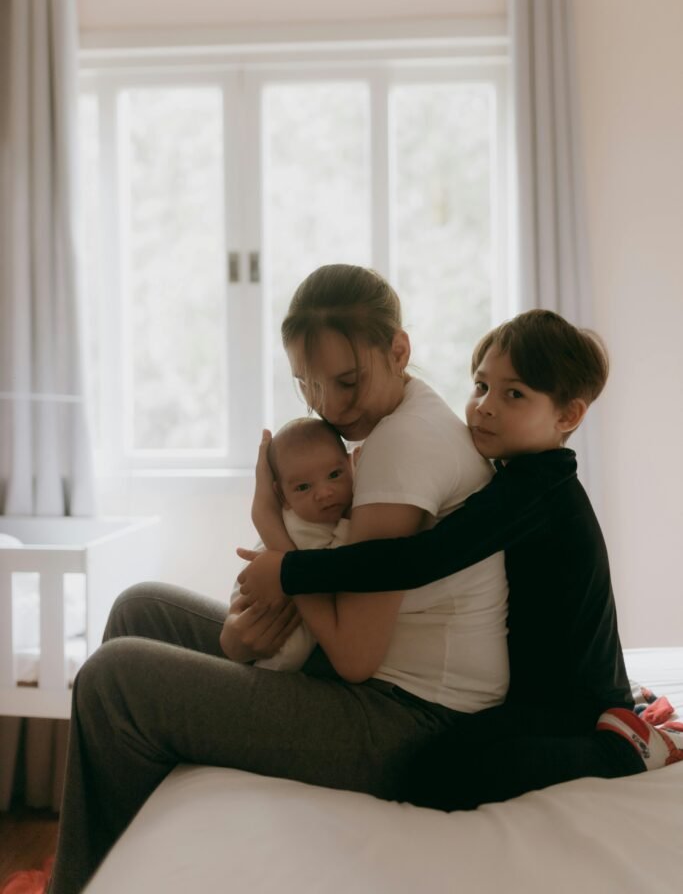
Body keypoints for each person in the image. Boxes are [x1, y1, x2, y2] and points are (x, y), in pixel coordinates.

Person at [45, 264, 509, 894]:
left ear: (399, 350)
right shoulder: (399, 424)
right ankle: (126, 866)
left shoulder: (404, 450)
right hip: (388, 694)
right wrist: (261, 608)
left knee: (113, 679)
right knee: (141, 607)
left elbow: (353, 657)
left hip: (409, 724)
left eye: (346, 381)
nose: (327, 407)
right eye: (307, 387)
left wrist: (275, 534)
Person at [237, 308, 683, 810]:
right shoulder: (520, 477)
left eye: (513, 394)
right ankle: (624, 713)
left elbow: (415, 561)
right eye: (480, 386)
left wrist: (290, 569)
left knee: (436, 777)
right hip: (543, 693)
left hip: (567, 705)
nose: (485, 407)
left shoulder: (536, 491)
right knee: (439, 765)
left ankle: (621, 749)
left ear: (567, 416)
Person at [252, 416, 353, 672]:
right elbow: (327, 572)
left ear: (351, 465)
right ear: (282, 497)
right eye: (303, 487)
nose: (324, 493)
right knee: (292, 651)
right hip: (271, 609)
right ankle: (263, 680)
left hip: (292, 603)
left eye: (334, 474)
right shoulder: (303, 528)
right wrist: (347, 524)